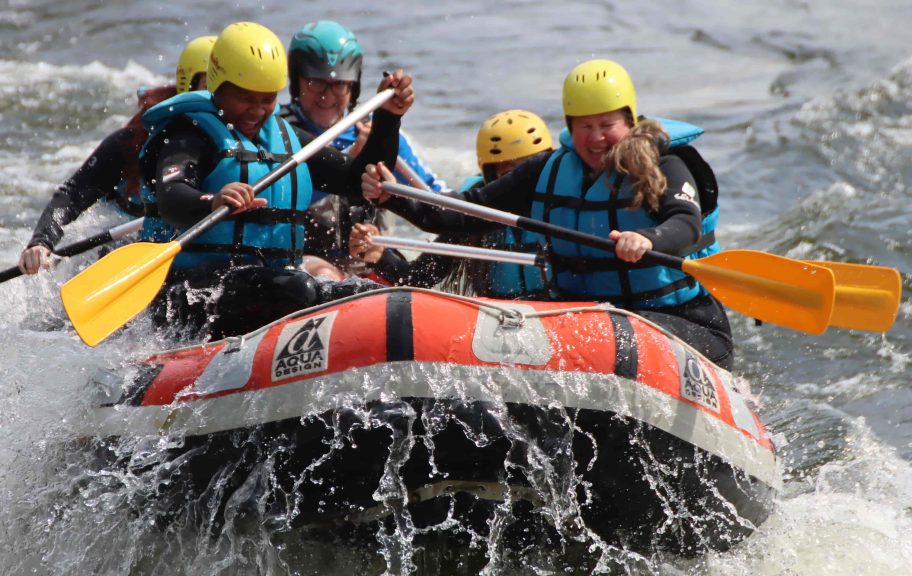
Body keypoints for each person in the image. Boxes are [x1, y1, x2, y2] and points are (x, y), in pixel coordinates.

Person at [361, 59, 732, 370]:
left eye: (607, 125)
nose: (596, 138)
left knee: (608, 336)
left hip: (679, 320)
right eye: (585, 126)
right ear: (569, 127)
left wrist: (647, 239)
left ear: (629, 121)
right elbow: (460, 213)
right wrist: (393, 197)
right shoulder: (547, 172)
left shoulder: (666, 165)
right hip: (589, 323)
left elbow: (685, 223)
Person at [140, 22, 413, 339]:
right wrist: (213, 201)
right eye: (245, 98)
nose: (257, 111)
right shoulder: (187, 134)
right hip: (193, 293)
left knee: (370, 295)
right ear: (218, 85)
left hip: (271, 285)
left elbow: (359, 180)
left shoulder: (285, 137)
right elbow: (171, 197)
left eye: (267, 99)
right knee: (298, 289)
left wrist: (388, 118)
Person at [17, 36, 217, 274]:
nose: (218, 98)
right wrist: (42, 241)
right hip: (121, 241)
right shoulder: (133, 141)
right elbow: (72, 195)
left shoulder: (243, 140)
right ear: (188, 85)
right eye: (210, 84)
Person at [279, 20, 444, 278]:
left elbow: (434, 197)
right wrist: (351, 164)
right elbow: (276, 199)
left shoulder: (378, 133)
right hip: (305, 261)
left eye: (338, 85)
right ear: (297, 81)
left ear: (352, 86)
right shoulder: (278, 131)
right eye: (316, 83)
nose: (327, 96)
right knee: (325, 275)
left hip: (372, 258)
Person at [349, 109, 555, 296]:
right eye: (509, 174)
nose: (520, 185)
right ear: (490, 177)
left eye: (530, 173)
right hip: (500, 314)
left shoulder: (562, 202)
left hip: (557, 309)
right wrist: (380, 256)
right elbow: (419, 278)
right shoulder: (473, 213)